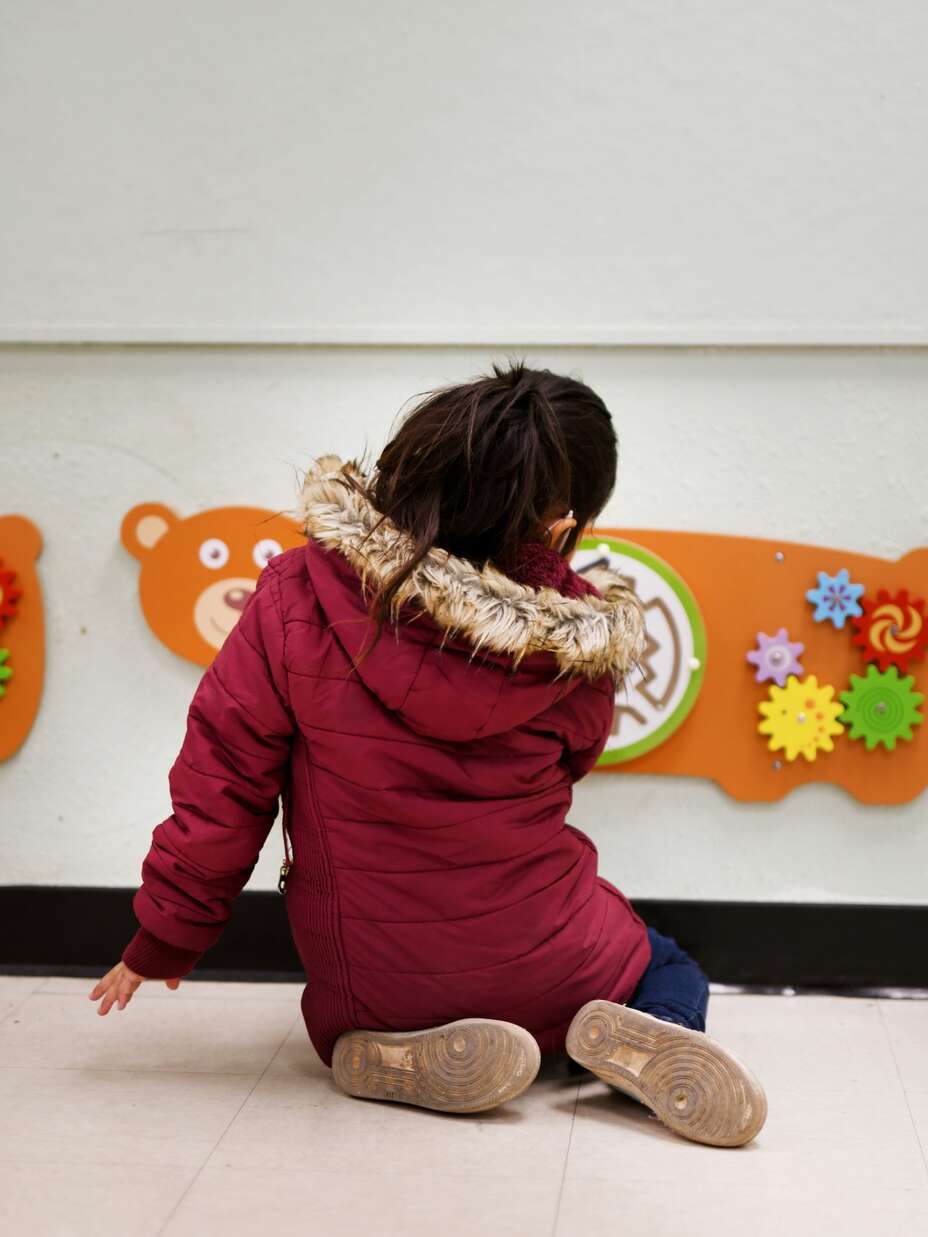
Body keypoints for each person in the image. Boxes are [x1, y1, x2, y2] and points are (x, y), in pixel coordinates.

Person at [89, 360, 766, 1147]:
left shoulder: (294, 596)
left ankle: (383, 1050)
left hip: (373, 978)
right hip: (553, 960)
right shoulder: (578, 648)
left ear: (410, 467)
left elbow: (224, 786)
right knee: (669, 964)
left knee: (364, 1011)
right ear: (557, 526)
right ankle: (642, 1034)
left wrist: (166, 936)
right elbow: (573, 764)